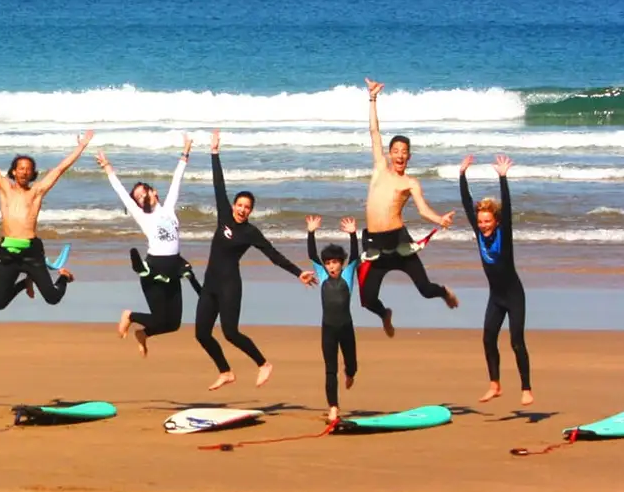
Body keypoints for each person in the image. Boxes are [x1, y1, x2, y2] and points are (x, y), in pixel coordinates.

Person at [194, 131, 316, 390]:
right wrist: (214, 152)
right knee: (201, 334)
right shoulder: (224, 215)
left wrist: (298, 273)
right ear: (234, 205)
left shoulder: (250, 232)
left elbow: (273, 255)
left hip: (230, 286)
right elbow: (218, 185)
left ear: (251, 211)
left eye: (247, 207)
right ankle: (225, 371)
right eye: (239, 205)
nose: (242, 209)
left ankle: (263, 364)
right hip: (210, 284)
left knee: (230, 333)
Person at [359, 79, 458, 335]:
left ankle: (443, 292)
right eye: (396, 151)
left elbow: (423, 210)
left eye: (404, 151)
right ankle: (384, 314)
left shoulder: (410, 182)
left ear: (409, 156)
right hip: (374, 244)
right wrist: (372, 99)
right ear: (390, 154)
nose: (400, 155)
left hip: (399, 242)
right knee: (367, 299)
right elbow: (374, 132)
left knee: (425, 290)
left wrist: (440, 220)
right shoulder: (380, 168)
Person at [0, 116, 92, 309]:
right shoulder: (4, 187)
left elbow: (60, 169)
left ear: (33, 173)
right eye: (21, 168)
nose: (24, 172)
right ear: (13, 171)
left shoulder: (36, 192)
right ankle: (25, 283)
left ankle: (64, 276)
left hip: (31, 254)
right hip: (9, 253)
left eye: (28, 169)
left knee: (52, 298)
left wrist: (81, 146)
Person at [95, 137, 190, 356]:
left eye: (143, 192)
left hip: (173, 270)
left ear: (154, 191)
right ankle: (129, 316)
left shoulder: (169, 209)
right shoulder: (142, 216)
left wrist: (185, 151)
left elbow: (177, 179)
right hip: (153, 270)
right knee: (159, 317)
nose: (141, 198)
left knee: (174, 323)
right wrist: (107, 167)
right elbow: (120, 191)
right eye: (137, 198)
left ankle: (143, 334)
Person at [460, 154, 532, 406]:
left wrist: (502, 177)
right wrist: (462, 175)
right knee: (488, 338)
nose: (483, 225)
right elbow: (467, 203)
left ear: (496, 221)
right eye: (480, 222)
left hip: (514, 296)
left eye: (487, 221)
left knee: (516, 341)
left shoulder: (504, 233)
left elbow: (507, 207)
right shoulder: (479, 233)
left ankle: (526, 388)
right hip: (496, 297)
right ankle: (495, 385)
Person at [306, 215, 362, 424]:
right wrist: (311, 232)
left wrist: (353, 234)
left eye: (335, 262)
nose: (331, 266)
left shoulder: (347, 275)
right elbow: (312, 254)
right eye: (328, 263)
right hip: (328, 329)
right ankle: (333, 407)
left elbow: (355, 255)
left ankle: (350, 374)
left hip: (346, 328)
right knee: (330, 370)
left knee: (352, 364)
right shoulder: (322, 276)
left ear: (341, 263)